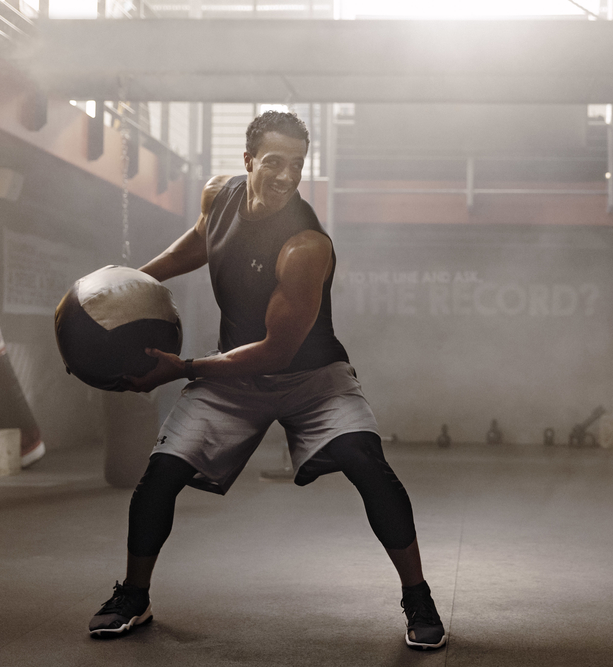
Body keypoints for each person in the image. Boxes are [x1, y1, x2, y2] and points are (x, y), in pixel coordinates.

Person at [87, 111, 446, 651]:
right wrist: (135, 280)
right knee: (160, 475)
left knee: (366, 463)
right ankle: (134, 596)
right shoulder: (219, 194)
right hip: (234, 376)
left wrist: (181, 370)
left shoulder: (306, 245)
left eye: (297, 165)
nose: (285, 176)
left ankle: (417, 595)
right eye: (275, 162)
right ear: (249, 160)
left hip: (313, 379)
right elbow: (203, 239)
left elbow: (278, 350)